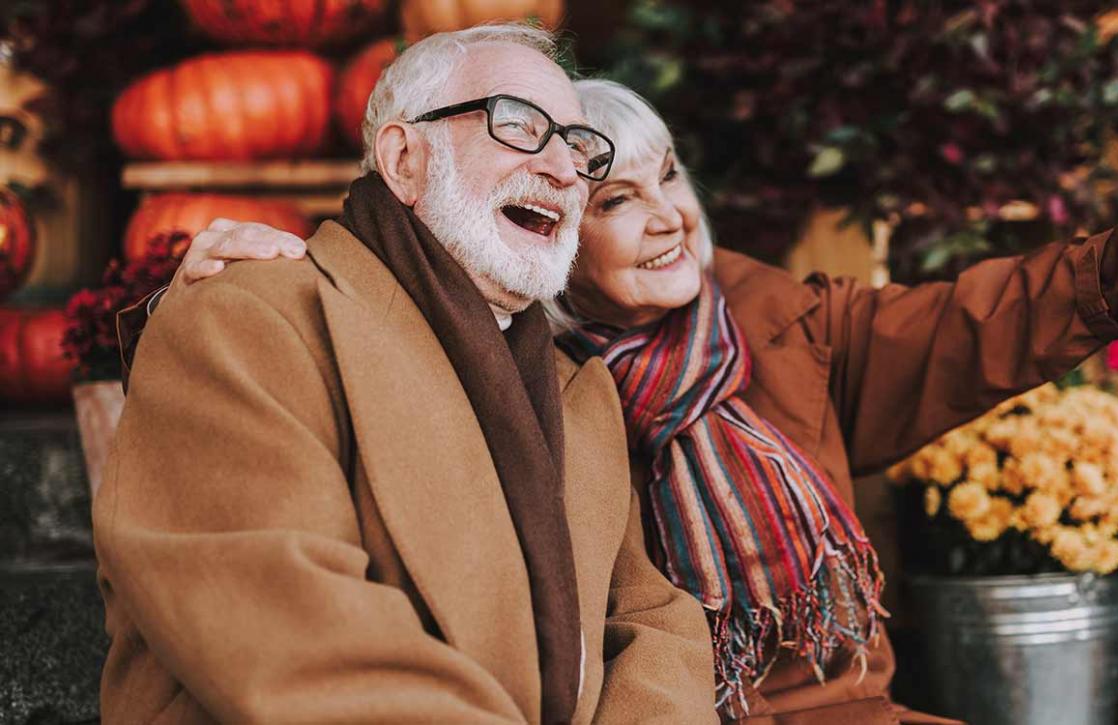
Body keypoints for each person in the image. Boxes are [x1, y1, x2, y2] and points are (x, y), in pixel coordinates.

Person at [127, 46, 1118, 725]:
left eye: (623, 167)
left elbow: (979, 321)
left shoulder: (743, 333)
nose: (576, 177)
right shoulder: (300, 322)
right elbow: (282, 614)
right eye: (605, 187)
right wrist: (175, 293)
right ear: (401, 156)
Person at [94, 25, 718, 723]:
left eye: (578, 147)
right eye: (519, 125)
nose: (566, 171)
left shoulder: (580, 390)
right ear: (403, 158)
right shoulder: (246, 316)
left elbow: (652, 620)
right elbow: (294, 631)